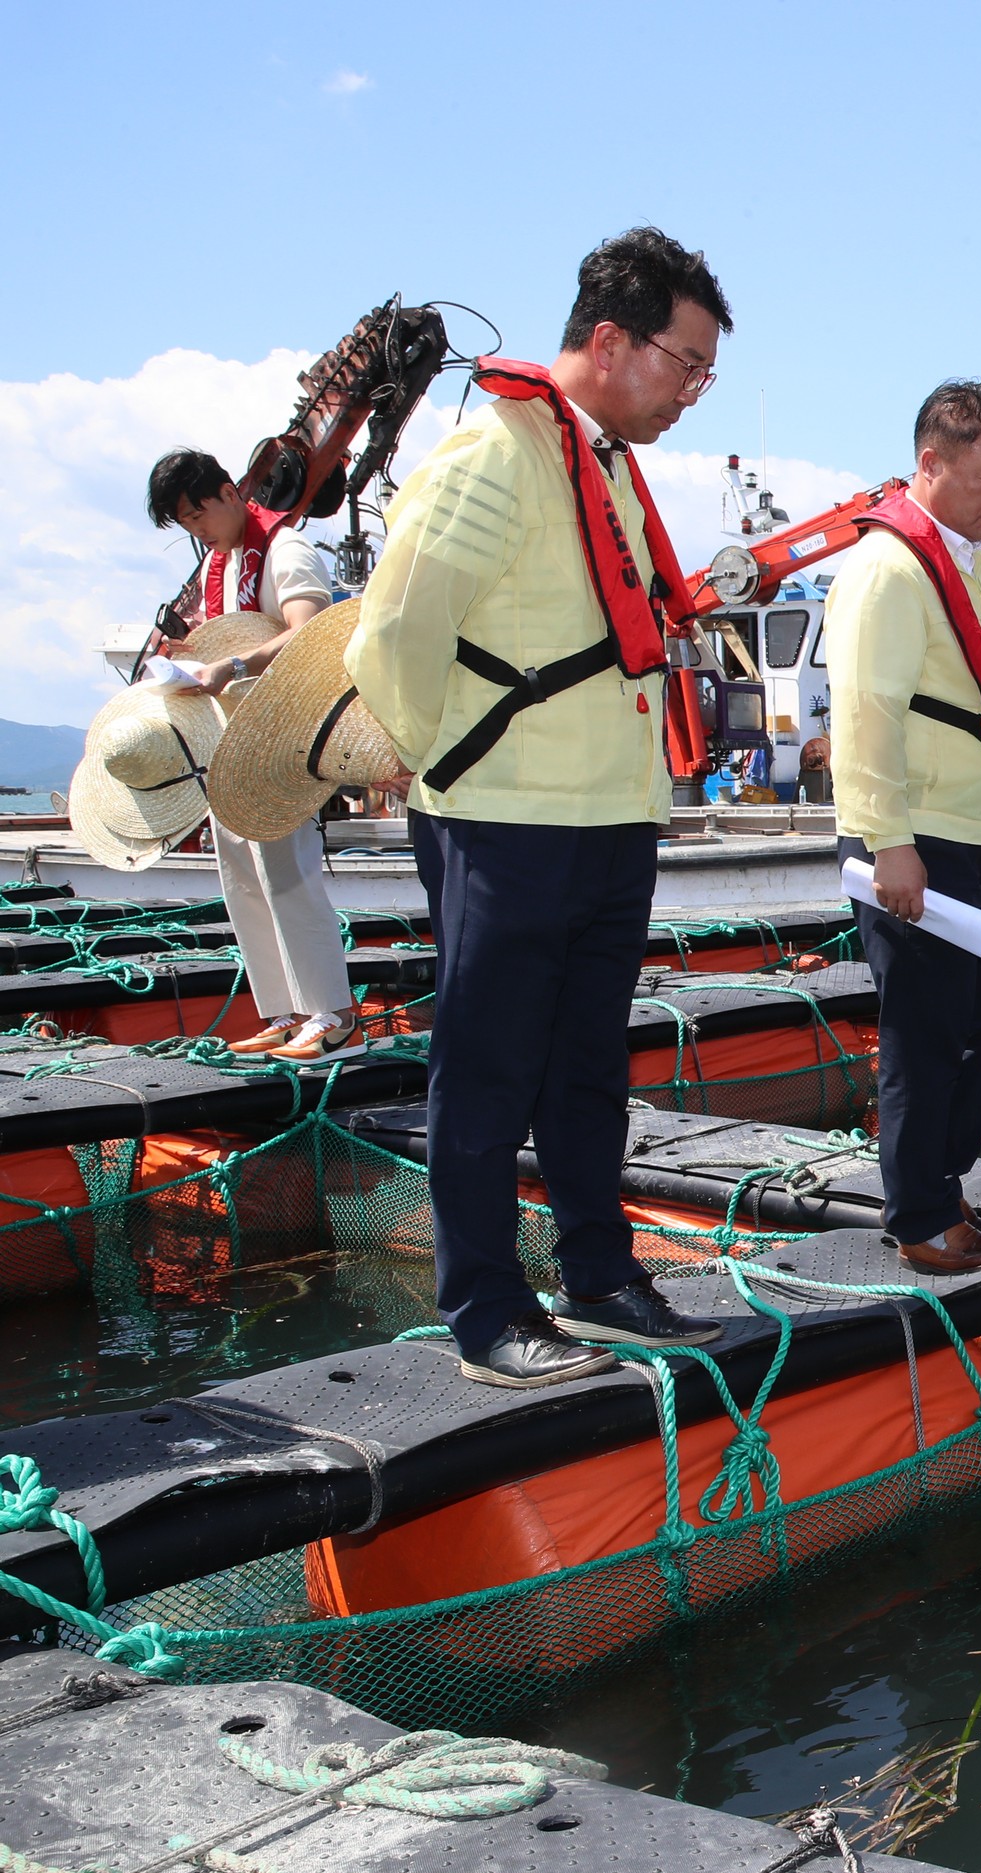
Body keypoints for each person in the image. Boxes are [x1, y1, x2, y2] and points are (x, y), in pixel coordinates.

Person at [346, 227, 733, 1389]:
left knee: (584, 1068)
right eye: (686, 362)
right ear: (609, 341)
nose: (693, 390)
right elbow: (391, 635)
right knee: (487, 1066)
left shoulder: (601, 462)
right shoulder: (492, 457)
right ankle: (484, 1307)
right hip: (508, 817)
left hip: (610, 815)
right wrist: (444, 763)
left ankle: (599, 1274)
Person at [827, 380, 981, 1273]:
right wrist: (887, 843)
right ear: (933, 461)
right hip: (917, 840)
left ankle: (938, 1184)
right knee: (924, 1035)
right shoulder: (889, 568)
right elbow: (865, 714)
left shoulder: (969, 562)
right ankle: (920, 1217)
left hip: (976, 835)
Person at [142, 451, 356, 1057]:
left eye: (196, 514)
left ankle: (334, 1015)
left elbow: (308, 628)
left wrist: (231, 663)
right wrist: (191, 654)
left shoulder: (284, 550)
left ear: (230, 492)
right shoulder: (226, 561)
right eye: (184, 523)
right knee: (242, 875)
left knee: (287, 871)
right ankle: (286, 1010)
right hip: (232, 739)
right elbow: (235, 635)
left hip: (280, 735)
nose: (196, 530)